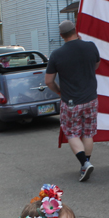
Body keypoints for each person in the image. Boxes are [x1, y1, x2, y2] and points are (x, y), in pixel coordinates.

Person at [45, 20, 101, 182]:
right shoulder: (91, 47)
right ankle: (87, 162)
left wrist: (58, 91)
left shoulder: (57, 54)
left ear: (61, 36)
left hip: (70, 101)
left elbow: (48, 81)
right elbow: (96, 65)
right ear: (75, 31)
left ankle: (84, 163)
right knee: (88, 132)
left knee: (72, 132)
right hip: (91, 98)